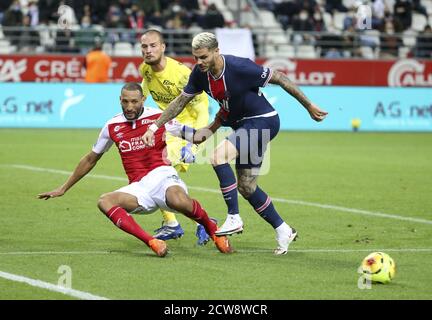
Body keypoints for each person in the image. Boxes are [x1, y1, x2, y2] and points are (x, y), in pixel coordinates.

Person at [142, 32, 328, 255]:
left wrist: (308, 106)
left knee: (217, 157)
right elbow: (186, 108)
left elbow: (279, 77)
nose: (199, 62)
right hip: (243, 127)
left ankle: (233, 217)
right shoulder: (203, 79)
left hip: (264, 121)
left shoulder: (239, 67)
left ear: (216, 51)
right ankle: (283, 229)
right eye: (195, 58)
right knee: (247, 187)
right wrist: (158, 127)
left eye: (203, 57)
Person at [37, 82, 232, 257]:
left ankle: (213, 230)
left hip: (163, 176)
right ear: (120, 100)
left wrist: (218, 120)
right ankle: (152, 241)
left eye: (134, 102)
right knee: (105, 201)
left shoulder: (158, 118)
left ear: (143, 100)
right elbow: (91, 159)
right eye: (125, 102)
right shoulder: (112, 126)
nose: (129, 107)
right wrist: (63, 188)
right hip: (138, 187)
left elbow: (197, 137)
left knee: (177, 200)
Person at [139, 29, 211, 245]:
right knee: (152, 177)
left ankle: (201, 222)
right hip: (165, 129)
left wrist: (195, 144)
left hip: (185, 129)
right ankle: (175, 224)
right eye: (144, 46)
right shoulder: (146, 69)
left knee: (155, 176)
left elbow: (202, 108)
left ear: (163, 47)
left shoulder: (181, 74)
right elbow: (145, 88)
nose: (148, 50)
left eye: (153, 45)